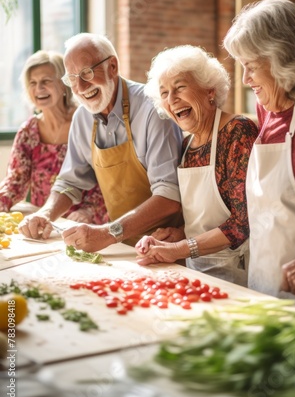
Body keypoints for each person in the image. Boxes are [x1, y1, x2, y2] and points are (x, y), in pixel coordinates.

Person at [19, 33, 183, 249]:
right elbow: (70, 182)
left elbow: (169, 195)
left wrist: (108, 232)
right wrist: (46, 213)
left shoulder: (152, 109)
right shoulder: (82, 117)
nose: (80, 86)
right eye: (72, 78)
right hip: (119, 243)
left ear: (112, 67)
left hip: (165, 245)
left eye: (86, 72)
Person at [223, 0, 295, 311]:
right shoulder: (266, 104)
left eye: (251, 67)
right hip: (266, 281)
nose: (245, 80)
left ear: (281, 58)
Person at [135, 45, 258, 285]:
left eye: (180, 87)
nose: (172, 99)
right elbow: (202, 221)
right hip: (196, 273)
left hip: (238, 273)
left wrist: (181, 248)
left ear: (209, 91)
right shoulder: (186, 145)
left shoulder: (237, 132)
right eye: (164, 93)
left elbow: (243, 223)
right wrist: (178, 233)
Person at [0, 50, 107, 224]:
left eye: (46, 81)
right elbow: (16, 180)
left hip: (88, 220)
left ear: (64, 83)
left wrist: (89, 211)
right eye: (32, 83)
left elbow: (107, 177)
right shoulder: (28, 131)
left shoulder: (87, 121)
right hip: (44, 220)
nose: (39, 88)